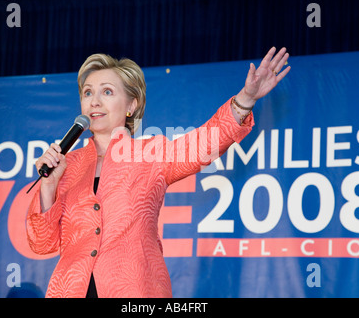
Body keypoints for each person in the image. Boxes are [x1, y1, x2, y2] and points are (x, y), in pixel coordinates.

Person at [26, 47, 290, 298]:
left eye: (107, 92)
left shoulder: (150, 154)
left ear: (132, 104)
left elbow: (203, 145)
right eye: (87, 93)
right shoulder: (65, 165)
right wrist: (49, 185)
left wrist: (246, 99)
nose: (94, 101)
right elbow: (41, 243)